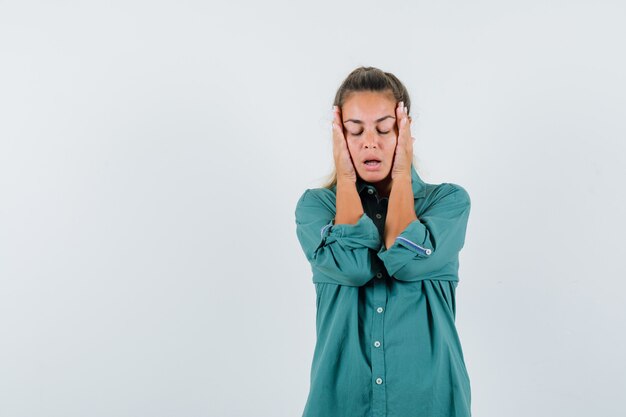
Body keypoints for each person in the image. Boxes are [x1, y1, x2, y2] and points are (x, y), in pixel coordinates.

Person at [294, 66, 473, 417]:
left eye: (384, 128)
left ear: (404, 133)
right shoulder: (315, 208)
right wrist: (345, 177)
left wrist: (402, 173)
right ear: (338, 138)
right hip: (339, 405)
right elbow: (353, 267)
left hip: (430, 403)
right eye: (354, 131)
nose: (369, 142)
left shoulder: (448, 204)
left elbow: (405, 261)